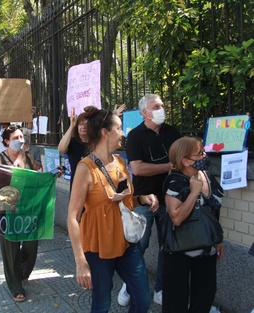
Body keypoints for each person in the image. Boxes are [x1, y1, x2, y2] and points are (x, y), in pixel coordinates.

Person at [67, 108, 158, 312]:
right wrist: (80, 261)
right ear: (105, 133)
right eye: (119, 128)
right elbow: (72, 216)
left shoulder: (121, 163)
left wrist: (141, 198)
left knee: (142, 299)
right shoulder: (85, 168)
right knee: (102, 303)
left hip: (126, 241)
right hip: (98, 246)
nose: (123, 133)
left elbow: (122, 201)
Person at [123, 94, 181, 306]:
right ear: (144, 112)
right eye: (156, 106)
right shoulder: (136, 136)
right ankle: (130, 285)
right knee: (140, 243)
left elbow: (183, 158)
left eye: (162, 105)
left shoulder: (172, 132)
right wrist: (168, 167)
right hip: (145, 200)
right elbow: (138, 168)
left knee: (168, 246)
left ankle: (161, 288)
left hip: (170, 198)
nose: (161, 109)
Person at [162, 137, 224, 313]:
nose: (205, 155)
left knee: (205, 297)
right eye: (200, 153)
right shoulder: (175, 182)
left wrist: (217, 238)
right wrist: (194, 192)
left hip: (206, 248)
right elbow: (176, 218)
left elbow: (212, 212)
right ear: (185, 160)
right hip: (179, 251)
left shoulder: (207, 176)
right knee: (176, 302)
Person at [0, 125, 43, 302]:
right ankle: (15, 286)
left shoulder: (28, 156)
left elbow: (37, 173)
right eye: (16, 137)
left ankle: (21, 273)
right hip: (7, 210)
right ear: (7, 141)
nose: (20, 140)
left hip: (28, 209)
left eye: (22, 137)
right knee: (11, 250)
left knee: (31, 245)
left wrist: (51, 174)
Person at [58, 107, 89, 190]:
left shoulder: (95, 143)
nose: (83, 127)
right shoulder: (73, 142)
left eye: (86, 124)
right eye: (80, 124)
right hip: (77, 187)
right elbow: (61, 149)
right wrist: (71, 126)